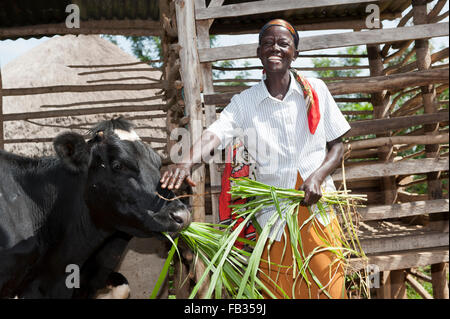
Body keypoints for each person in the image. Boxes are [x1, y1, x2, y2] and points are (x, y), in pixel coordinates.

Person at [160, 19, 351, 299]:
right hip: (273, 219)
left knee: (329, 286)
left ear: (294, 53)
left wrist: (318, 176)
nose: (275, 48)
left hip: (318, 212)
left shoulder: (317, 91)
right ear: (259, 52)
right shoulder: (244, 103)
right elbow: (215, 134)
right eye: (268, 43)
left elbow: (338, 147)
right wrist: (186, 162)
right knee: (279, 290)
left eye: (283, 43)